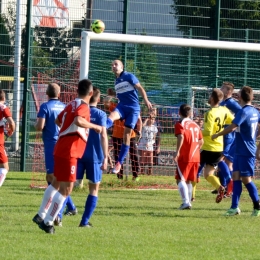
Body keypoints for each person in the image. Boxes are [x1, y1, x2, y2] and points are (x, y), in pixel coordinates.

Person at [32, 79, 102, 234]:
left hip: (60, 147)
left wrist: (66, 130)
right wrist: (94, 126)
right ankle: (48, 221)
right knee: (67, 188)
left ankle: (41, 214)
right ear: (90, 93)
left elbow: (58, 120)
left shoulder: (71, 104)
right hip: (70, 150)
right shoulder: (83, 106)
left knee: (56, 182)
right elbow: (79, 120)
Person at [34, 83, 77, 227]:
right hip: (62, 142)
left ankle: (59, 212)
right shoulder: (65, 106)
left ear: (47, 93)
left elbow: (40, 126)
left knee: (55, 178)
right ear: (59, 94)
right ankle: (69, 207)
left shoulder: (45, 106)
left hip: (51, 144)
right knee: (52, 177)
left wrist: (36, 125)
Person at [213, 86, 260, 216]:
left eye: (238, 94)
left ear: (240, 97)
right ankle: (234, 207)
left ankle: (257, 205)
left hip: (246, 151)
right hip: (240, 150)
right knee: (236, 177)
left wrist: (217, 134)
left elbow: (233, 127)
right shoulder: (255, 112)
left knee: (246, 179)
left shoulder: (243, 112)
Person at [106, 60, 153, 174]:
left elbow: (140, 88)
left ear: (122, 67)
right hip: (122, 106)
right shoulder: (116, 81)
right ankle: (98, 130)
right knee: (111, 116)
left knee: (127, 134)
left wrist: (146, 101)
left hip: (133, 108)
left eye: (116, 64)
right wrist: (111, 95)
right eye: (112, 64)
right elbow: (120, 96)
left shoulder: (129, 76)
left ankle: (119, 163)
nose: (113, 66)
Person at [76, 87, 108, 227]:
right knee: (94, 189)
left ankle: (58, 216)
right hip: (95, 156)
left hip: (78, 153)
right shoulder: (101, 114)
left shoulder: (81, 111)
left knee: (67, 186)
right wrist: (106, 157)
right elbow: (104, 136)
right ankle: (84, 221)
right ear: (99, 99)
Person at [200, 88, 234, 203]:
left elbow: (208, 132)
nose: (208, 98)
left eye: (210, 96)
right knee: (209, 171)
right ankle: (221, 187)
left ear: (213, 98)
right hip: (219, 145)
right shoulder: (224, 110)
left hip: (208, 147)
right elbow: (233, 121)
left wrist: (197, 131)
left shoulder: (209, 113)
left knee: (200, 172)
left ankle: (189, 197)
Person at [105, 90, 142, 180]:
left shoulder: (132, 106)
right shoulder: (115, 107)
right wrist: (111, 96)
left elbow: (139, 120)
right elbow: (105, 102)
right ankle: (119, 177)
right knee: (117, 156)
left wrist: (139, 131)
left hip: (130, 135)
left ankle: (135, 175)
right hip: (117, 135)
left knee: (134, 155)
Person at [173, 104, 203, 209]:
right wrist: (195, 150)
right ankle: (188, 202)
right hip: (196, 156)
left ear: (179, 112)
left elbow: (180, 136)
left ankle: (186, 202)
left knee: (180, 179)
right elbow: (201, 141)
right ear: (190, 114)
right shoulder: (196, 125)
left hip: (186, 156)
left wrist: (177, 152)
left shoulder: (180, 123)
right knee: (189, 180)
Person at [218, 82, 241, 196]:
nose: (220, 89)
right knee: (223, 161)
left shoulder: (231, 103)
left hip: (228, 136)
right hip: (222, 134)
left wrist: (234, 125)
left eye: (222, 88)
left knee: (223, 160)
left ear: (228, 92)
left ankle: (228, 186)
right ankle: (223, 186)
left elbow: (241, 113)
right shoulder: (223, 102)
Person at [0, 90, 15, 187]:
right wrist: (11, 130)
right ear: (4, 98)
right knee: (5, 167)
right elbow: (12, 122)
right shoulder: (3, 107)